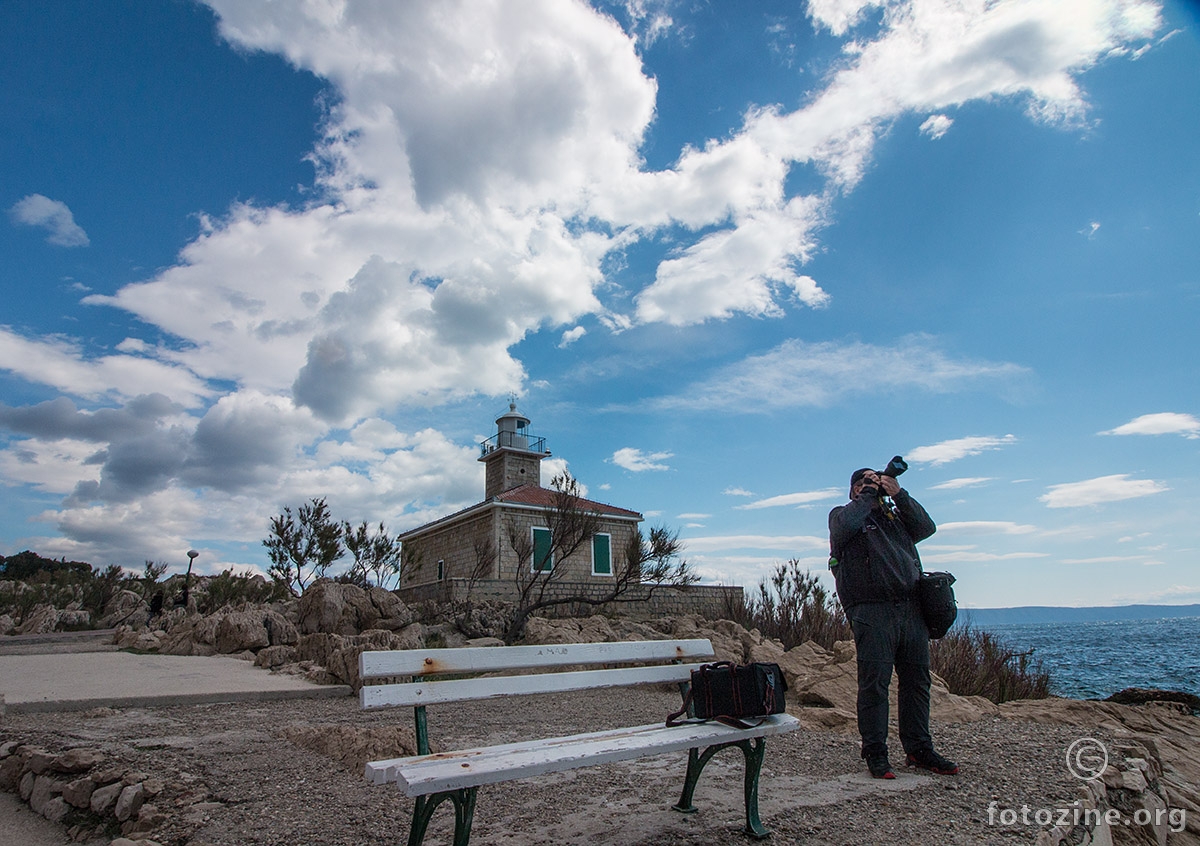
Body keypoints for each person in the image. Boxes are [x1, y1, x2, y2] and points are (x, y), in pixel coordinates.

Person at [828, 466, 958, 779]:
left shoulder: (894, 517)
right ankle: (875, 752)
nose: (868, 485)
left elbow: (926, 528)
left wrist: (899, 495)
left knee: (917, 682)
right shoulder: (843, 516)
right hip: (872, 611)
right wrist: (868, 492)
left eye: (873, 480)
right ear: (852, 491)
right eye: (861, 481)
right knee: (875, 684)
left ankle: (918, 749)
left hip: (911, 609)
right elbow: (845, 525)